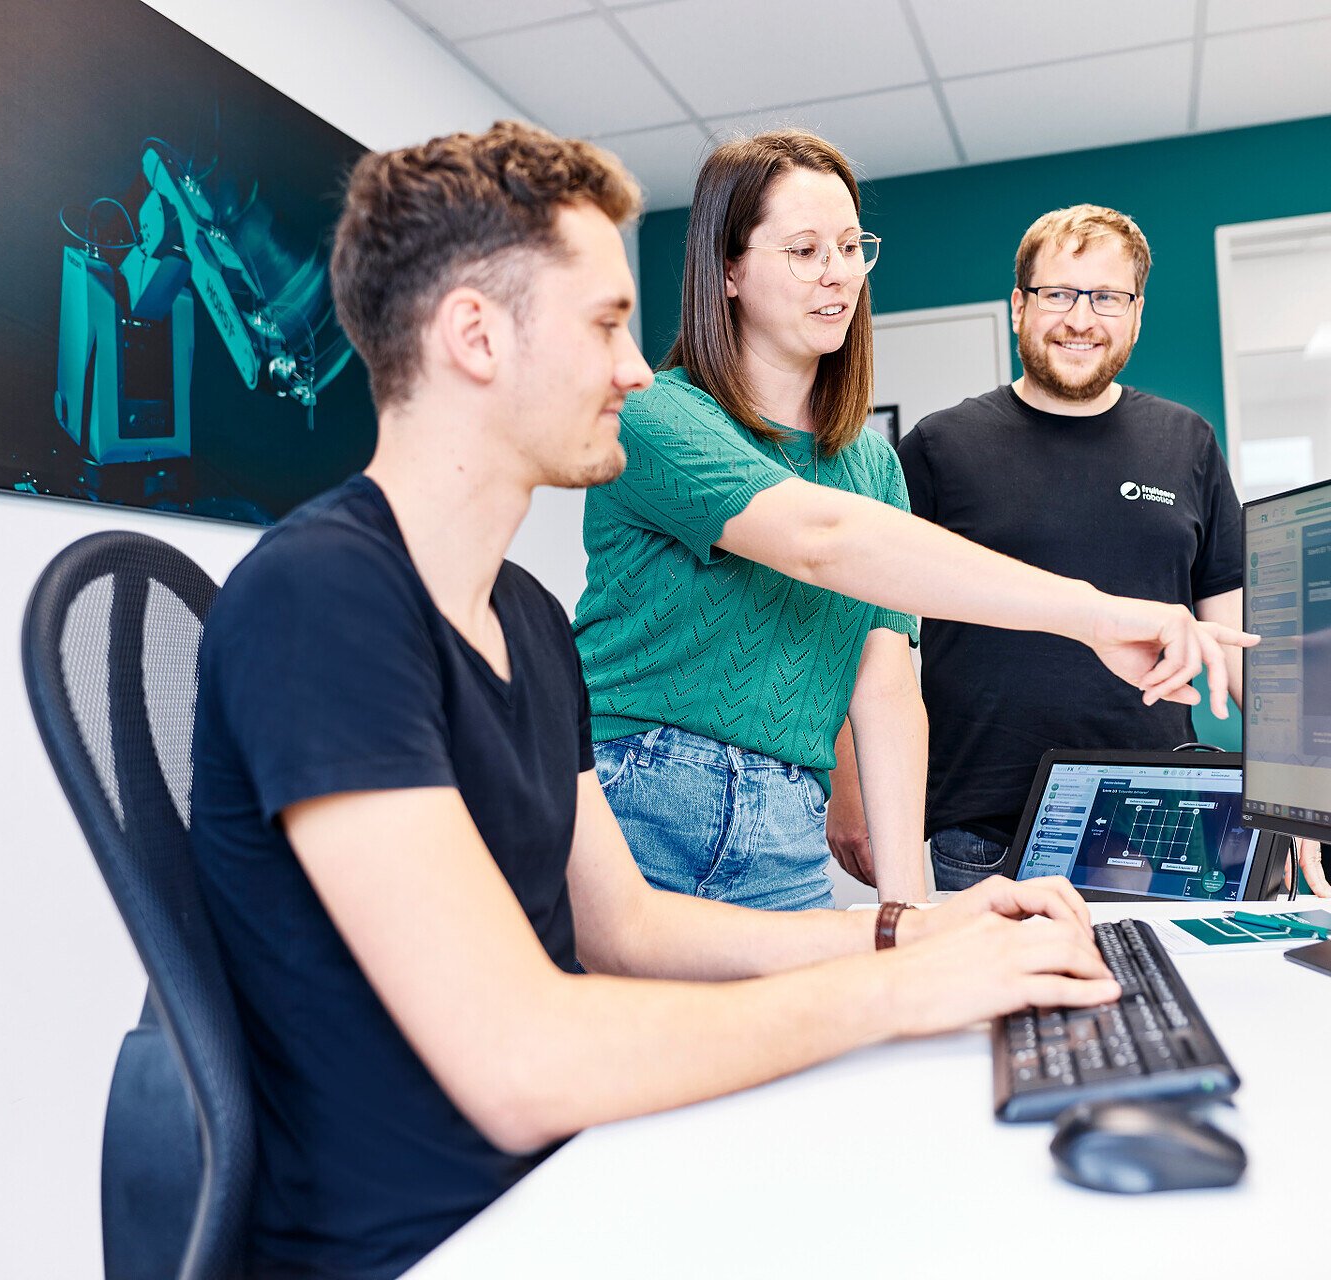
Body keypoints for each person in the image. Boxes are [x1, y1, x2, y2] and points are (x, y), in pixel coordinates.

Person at [189, 120, 1129, 1280]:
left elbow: (629, 928)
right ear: (474, 336)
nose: (637, 372)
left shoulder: (527, 624)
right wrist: (895, 986)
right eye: (603, 327)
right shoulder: (322, 601)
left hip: (562, 1185)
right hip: (436, 1239)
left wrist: (906, 925)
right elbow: (519, 1055)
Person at [575, 137, 1258, 915]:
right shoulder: (657, 412)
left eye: (848, 246)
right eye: (803, 250)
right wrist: (1097, 615)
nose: (837, 272)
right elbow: (821, 542)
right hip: (642, 794)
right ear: (727, 270)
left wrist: (908, 911)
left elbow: (885, 679)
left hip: (783, 828)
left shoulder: (870, 465)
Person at [827, 203, 1331, 897]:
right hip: (986, 822)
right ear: (1018, 305)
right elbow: (853, 620)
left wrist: (1299, 783)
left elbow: (1238, 631)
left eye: (1106, 297)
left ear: (1135, 313)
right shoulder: (940, 448)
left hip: (1160, 812)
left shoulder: (1186, 443)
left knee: (1170, 997)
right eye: (1057, 293)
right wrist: (848, 790)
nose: (1079, 319)